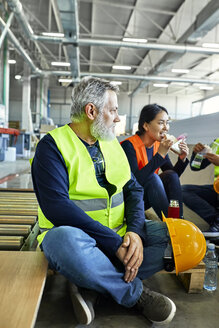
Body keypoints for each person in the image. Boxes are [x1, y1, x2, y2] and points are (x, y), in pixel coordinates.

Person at [121, 104, 189, 220]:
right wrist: (160, 155)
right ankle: (171, 224)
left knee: (171, 175)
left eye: (167, 123)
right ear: (146, 126)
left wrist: (182, 159)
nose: (166, 128)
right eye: (161, 123)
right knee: (153, 178)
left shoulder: (158, 145)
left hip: (146, 197)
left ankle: (178, 220)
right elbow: (134, 183)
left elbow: (172, 176)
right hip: (129, 200)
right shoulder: (129, 146)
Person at [182, 139, 219, 240]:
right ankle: (215, 220)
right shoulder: (217, 142)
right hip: (216, 190)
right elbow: (196, 166)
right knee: (183, 190)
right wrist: (197, 154)